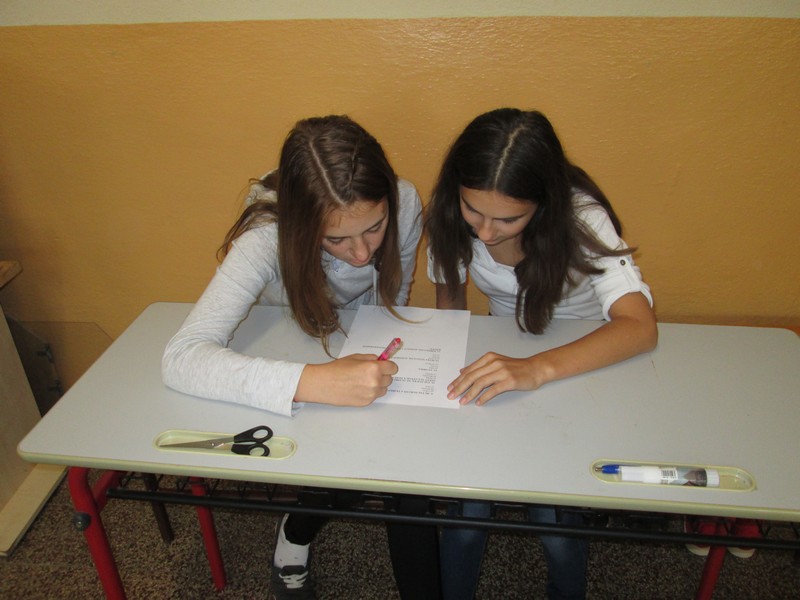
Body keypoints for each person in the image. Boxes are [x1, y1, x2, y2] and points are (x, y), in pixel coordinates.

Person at [162, 115, 439, 599]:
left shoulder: (406, 199)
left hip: (357, 349)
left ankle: (305, 524)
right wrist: (317, 382)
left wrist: (369, 351)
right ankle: (296, 530)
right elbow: (181, 358)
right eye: (336, 239)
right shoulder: (265, 236)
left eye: (375, 229)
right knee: (344, 462)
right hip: (289, 357)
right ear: (301, 225)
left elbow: (393, 293)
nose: (360, 254)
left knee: (404, 478)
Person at [425, 108, 658, 600]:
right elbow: (451, 306)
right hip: (508, 354)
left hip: (581, 362)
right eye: (473, 211)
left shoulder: (581, 217)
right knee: (468, 508)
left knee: (554, 521)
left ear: (545, 202)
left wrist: (536, 369)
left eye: (508, 219)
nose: (485, 233)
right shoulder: (450, 211)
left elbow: (639, 328)